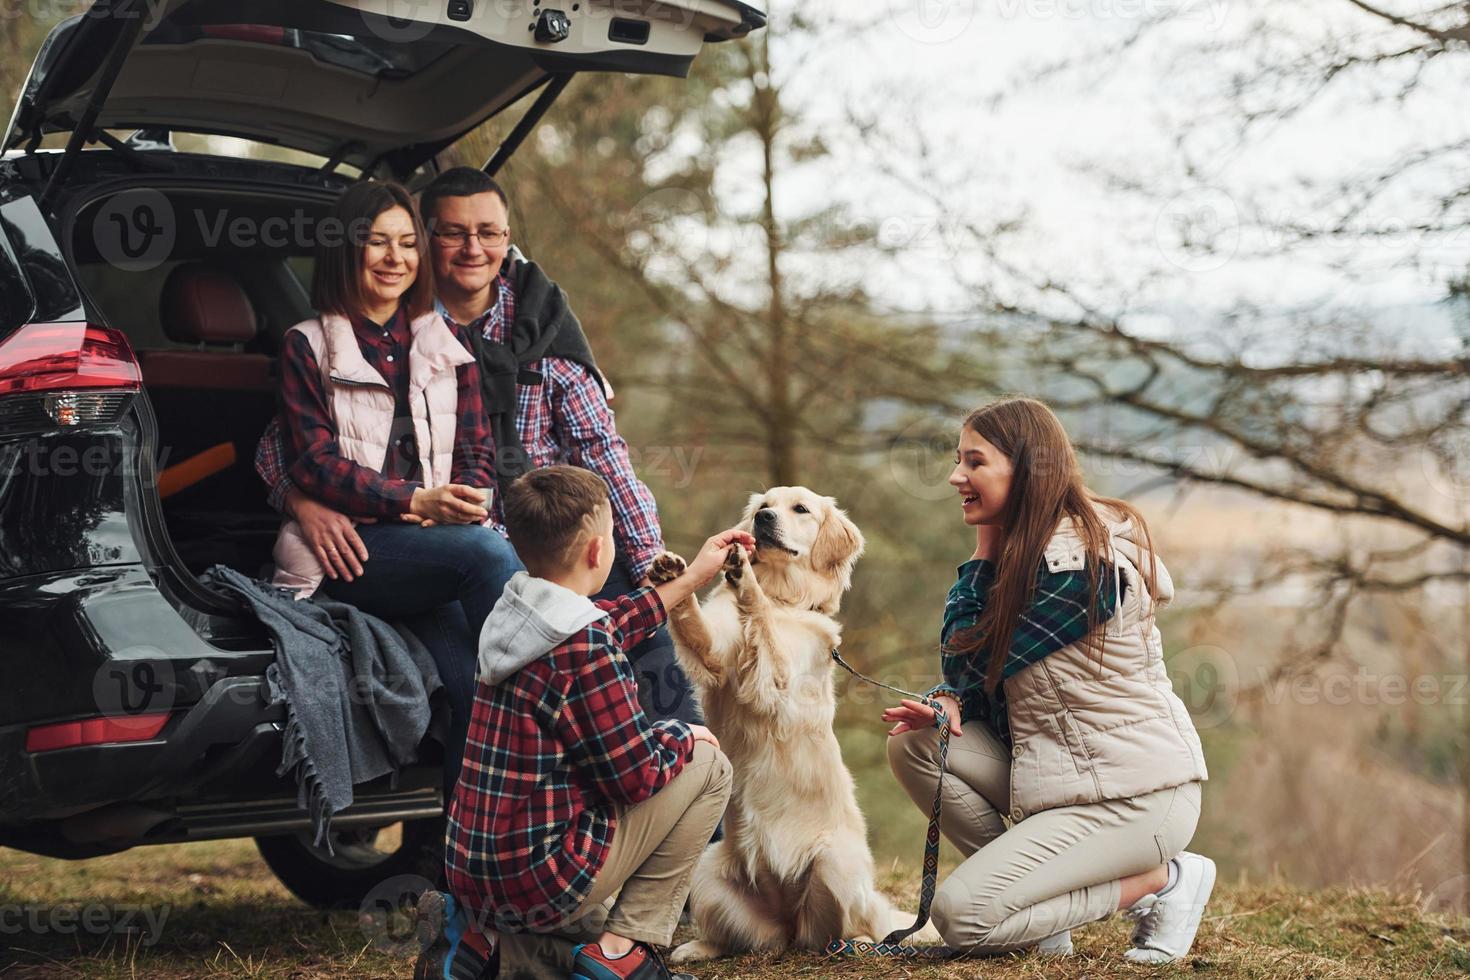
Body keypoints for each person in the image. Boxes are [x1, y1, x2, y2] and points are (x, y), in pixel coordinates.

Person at [257, 168, 698, 730]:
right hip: (455, 546)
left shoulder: (543, 329)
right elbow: (286, 448)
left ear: (508, 239)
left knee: (658, 663)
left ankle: (689, 800)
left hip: (548, 543)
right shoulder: (366, 332)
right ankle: (566, 739)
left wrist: (649, 568)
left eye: (489, 233)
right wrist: (303, 502)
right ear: (430, 239)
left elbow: (603, 455)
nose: (474, 249)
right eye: (452, 234)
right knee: (491, 669)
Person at [882, 396, 1213, 963]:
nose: (954, 475)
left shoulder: (1081, 570)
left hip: (1134, 798)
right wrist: (951, 702)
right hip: (1065, 779)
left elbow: (972, 662)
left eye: (974, 462)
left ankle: (1165, 880)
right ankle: (1033, 919)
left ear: (1028, 469)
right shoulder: (1027, 552)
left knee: (962, 918)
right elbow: (974, 684)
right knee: (918, 741)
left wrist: (983, 552)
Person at [417, 466, 747, 980]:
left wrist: (691, 579)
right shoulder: (587, 651)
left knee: (582, 924)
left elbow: (606, 624)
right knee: (710, 767)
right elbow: (636, 777)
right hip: (537, 877)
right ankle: (621, 956)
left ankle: (476, 944)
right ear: (598, 551)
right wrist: (682, 737)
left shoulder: (512, 612)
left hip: (472, 871)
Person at [269, 180, 521, 795]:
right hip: (357, 550)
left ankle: (462, 883)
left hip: (438, 549)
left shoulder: (448, 343)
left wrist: (471, 498)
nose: (395, 258)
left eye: (408, 243)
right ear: (346, 251)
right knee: (488, 553)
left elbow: (476, 449)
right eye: (376, 242)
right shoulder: (306, 344)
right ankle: (548, 688)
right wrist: (411, 502)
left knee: (477, 696)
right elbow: (314, 462)